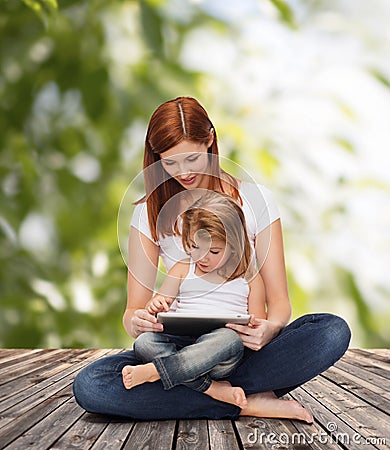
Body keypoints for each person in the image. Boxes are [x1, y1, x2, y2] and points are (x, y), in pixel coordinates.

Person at [73, 96, 350, 422]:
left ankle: (197, 388)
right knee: (90, 385)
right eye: (170, 163)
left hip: (237, 346)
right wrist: (138, 320)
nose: (183, 172)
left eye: (192, 158)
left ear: (210, 140)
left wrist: (269, 328)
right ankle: (240, 399)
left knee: (331, 331)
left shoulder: (254, 201)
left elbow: (278, 303)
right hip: (172, 345)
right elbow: (133, 311)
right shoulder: (147, 214)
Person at [122, 191, 266, 409]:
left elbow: (258, 327)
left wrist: (251, 327)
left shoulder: (249, 279)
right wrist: (156, 305)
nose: (202, 257)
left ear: (234, 245)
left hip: (219, 356)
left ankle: (155, 372)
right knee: (144, 342)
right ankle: (212, 389)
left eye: (214, 251)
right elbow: (159, 303)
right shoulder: (182, 269)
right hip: (181, 346)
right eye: (194, 246)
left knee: (229, 339)